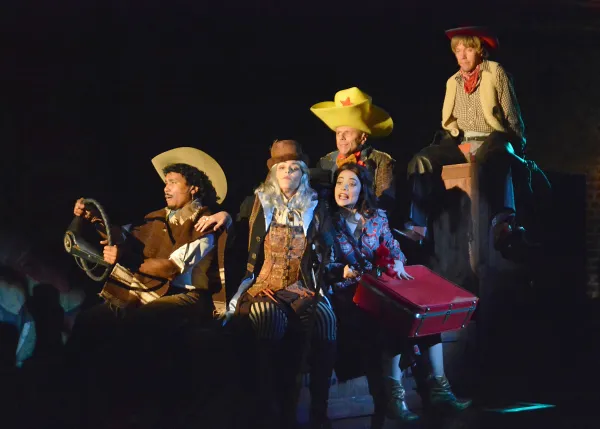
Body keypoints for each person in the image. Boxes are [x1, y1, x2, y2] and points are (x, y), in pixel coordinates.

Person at [65, 147, 228, 421]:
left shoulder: (205, 223)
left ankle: (136, 404)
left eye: (173, 182)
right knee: (89, 320)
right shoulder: (157, 219)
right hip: (147, 288)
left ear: (193, 189)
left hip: (185, 295)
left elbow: (171, 268)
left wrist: (125, 258)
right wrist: (93, 218)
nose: (166, 188)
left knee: (140, 322)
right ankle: (72, 395)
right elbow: (123, 235)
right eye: (166, 182)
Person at [326, 163, 471, 427]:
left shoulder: (377, 218)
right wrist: (341, 271)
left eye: (351, 183)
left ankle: (441, 390)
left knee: (423, 315)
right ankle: (395, 400)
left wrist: (397, 262)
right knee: (391, 320)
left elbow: (395, 251)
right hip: (350, 293)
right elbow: (325, 264)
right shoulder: (328, 222)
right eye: (340, 183)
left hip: (382, 288)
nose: (344, 189)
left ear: (362, 189)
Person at [403, 26, 548, 258]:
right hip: (461, 140)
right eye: (458, 50)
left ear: (480, 51)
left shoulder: (495, 72)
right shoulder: (453, 82)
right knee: (422, 160)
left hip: (492, 138)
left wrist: (517, 143)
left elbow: (512, 115)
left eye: (468, 49)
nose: (462, 55)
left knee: (497, 154)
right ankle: (418, 227)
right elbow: (449, 123)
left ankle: (502, 225)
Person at [225, 139, 337, 429]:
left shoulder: (316, 206)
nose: (287, 172)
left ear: (303, 174)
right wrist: (222, 215)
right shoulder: (257, 203)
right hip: (264, 286)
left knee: (326, 319)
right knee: (268, 319)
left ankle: (319, 410)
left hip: (302, 287)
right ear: (273, 173)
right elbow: (235, 236)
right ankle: (269, 409)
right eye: (282, 167)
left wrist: (324, 249)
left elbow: (329, 246)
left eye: (294, 168)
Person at [310, 87, 397, 211]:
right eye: (338, 133)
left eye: (347, 133)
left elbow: (384, 202)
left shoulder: (381, 161)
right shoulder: (326, 161)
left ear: (363, 138)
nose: (341, 138)